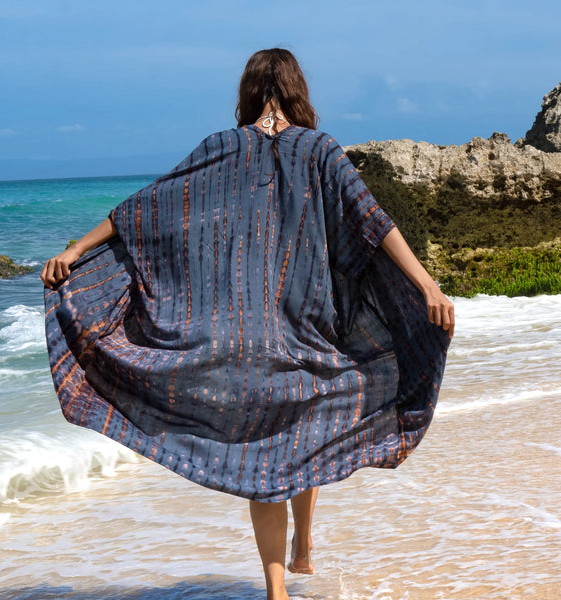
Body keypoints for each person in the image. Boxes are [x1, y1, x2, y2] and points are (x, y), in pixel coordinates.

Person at [41, 48, 454, 600]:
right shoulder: (321, 149)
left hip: (242, 337)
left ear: (249, 90)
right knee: (308, 433)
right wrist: (425, 284)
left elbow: (145, 209)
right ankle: (301, 549)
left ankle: (277, 586)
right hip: (311, 327)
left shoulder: (221, 147)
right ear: (296, 88)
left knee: (266, 459)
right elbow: (375, 223)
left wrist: (77, 251)